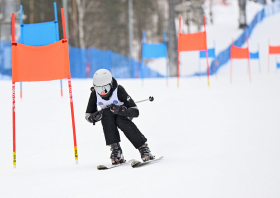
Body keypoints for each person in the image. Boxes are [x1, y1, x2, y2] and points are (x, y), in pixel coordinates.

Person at [85, 69, 155, 165]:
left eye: (105, 88)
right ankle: (116, 150)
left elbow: (135, 111)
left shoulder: (119, 90)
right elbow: (88, 115)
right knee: (106, 115)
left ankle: (144, 148)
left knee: (120, 120)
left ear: (110, 85)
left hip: (123, 115)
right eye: (98, 89)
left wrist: (121, 110)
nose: (102, 93)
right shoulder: (94, 94)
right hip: (108, 117)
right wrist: (95, 116)